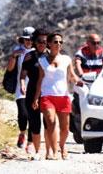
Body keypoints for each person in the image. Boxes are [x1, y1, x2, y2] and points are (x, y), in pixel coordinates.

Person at [33, 32, 82, 160]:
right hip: (47, 96)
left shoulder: (66, 59)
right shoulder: (42, 61)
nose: (58, 44)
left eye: (60, 42)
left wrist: (78, 81)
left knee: (65, 128)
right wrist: (35, 98)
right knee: (51, 121)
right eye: (55, 42)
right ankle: (54, 152)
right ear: (49, 43)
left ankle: (62, 145)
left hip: (64, 96)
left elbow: (71, 75)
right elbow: (40, 80)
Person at [19, 28, 50, 159]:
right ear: (34, 42)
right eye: (39, 41)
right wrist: (22, 84)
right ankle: (36, 151)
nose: (42, 44)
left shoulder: (51, 56)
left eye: (45, 41)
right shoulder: (29, 56)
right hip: (32, 91)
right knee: (34, 122)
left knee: (49, 121)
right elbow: (22, 74)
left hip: (48, 91)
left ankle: (50, 151)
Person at [5, 26, 34, 148]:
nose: (29, 41)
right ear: (23, 40)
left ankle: (31, 142)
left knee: (33, 115)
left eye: (31, 39)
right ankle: (22, 133)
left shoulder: (38, 51)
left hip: (34, 87)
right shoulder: (18, 50)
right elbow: (10, 69)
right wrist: (13, 56)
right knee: (23, 113)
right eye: (26, 39)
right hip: (19, 87)